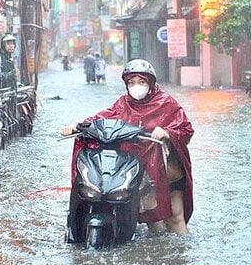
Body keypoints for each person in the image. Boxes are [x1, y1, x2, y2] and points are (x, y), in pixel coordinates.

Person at [60, 59, 194, 235]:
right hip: (138, 169)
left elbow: (186, 129)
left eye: (141, 82)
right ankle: (160, 255)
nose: (136, 86)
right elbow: (102, 119)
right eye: (131, 82)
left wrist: (167, 132)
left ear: (150, 83)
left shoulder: (166, 103)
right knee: (153, 219)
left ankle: (183, 254)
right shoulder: (124, 103)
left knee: (175, 217)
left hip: (167, 169)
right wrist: (77, 126)